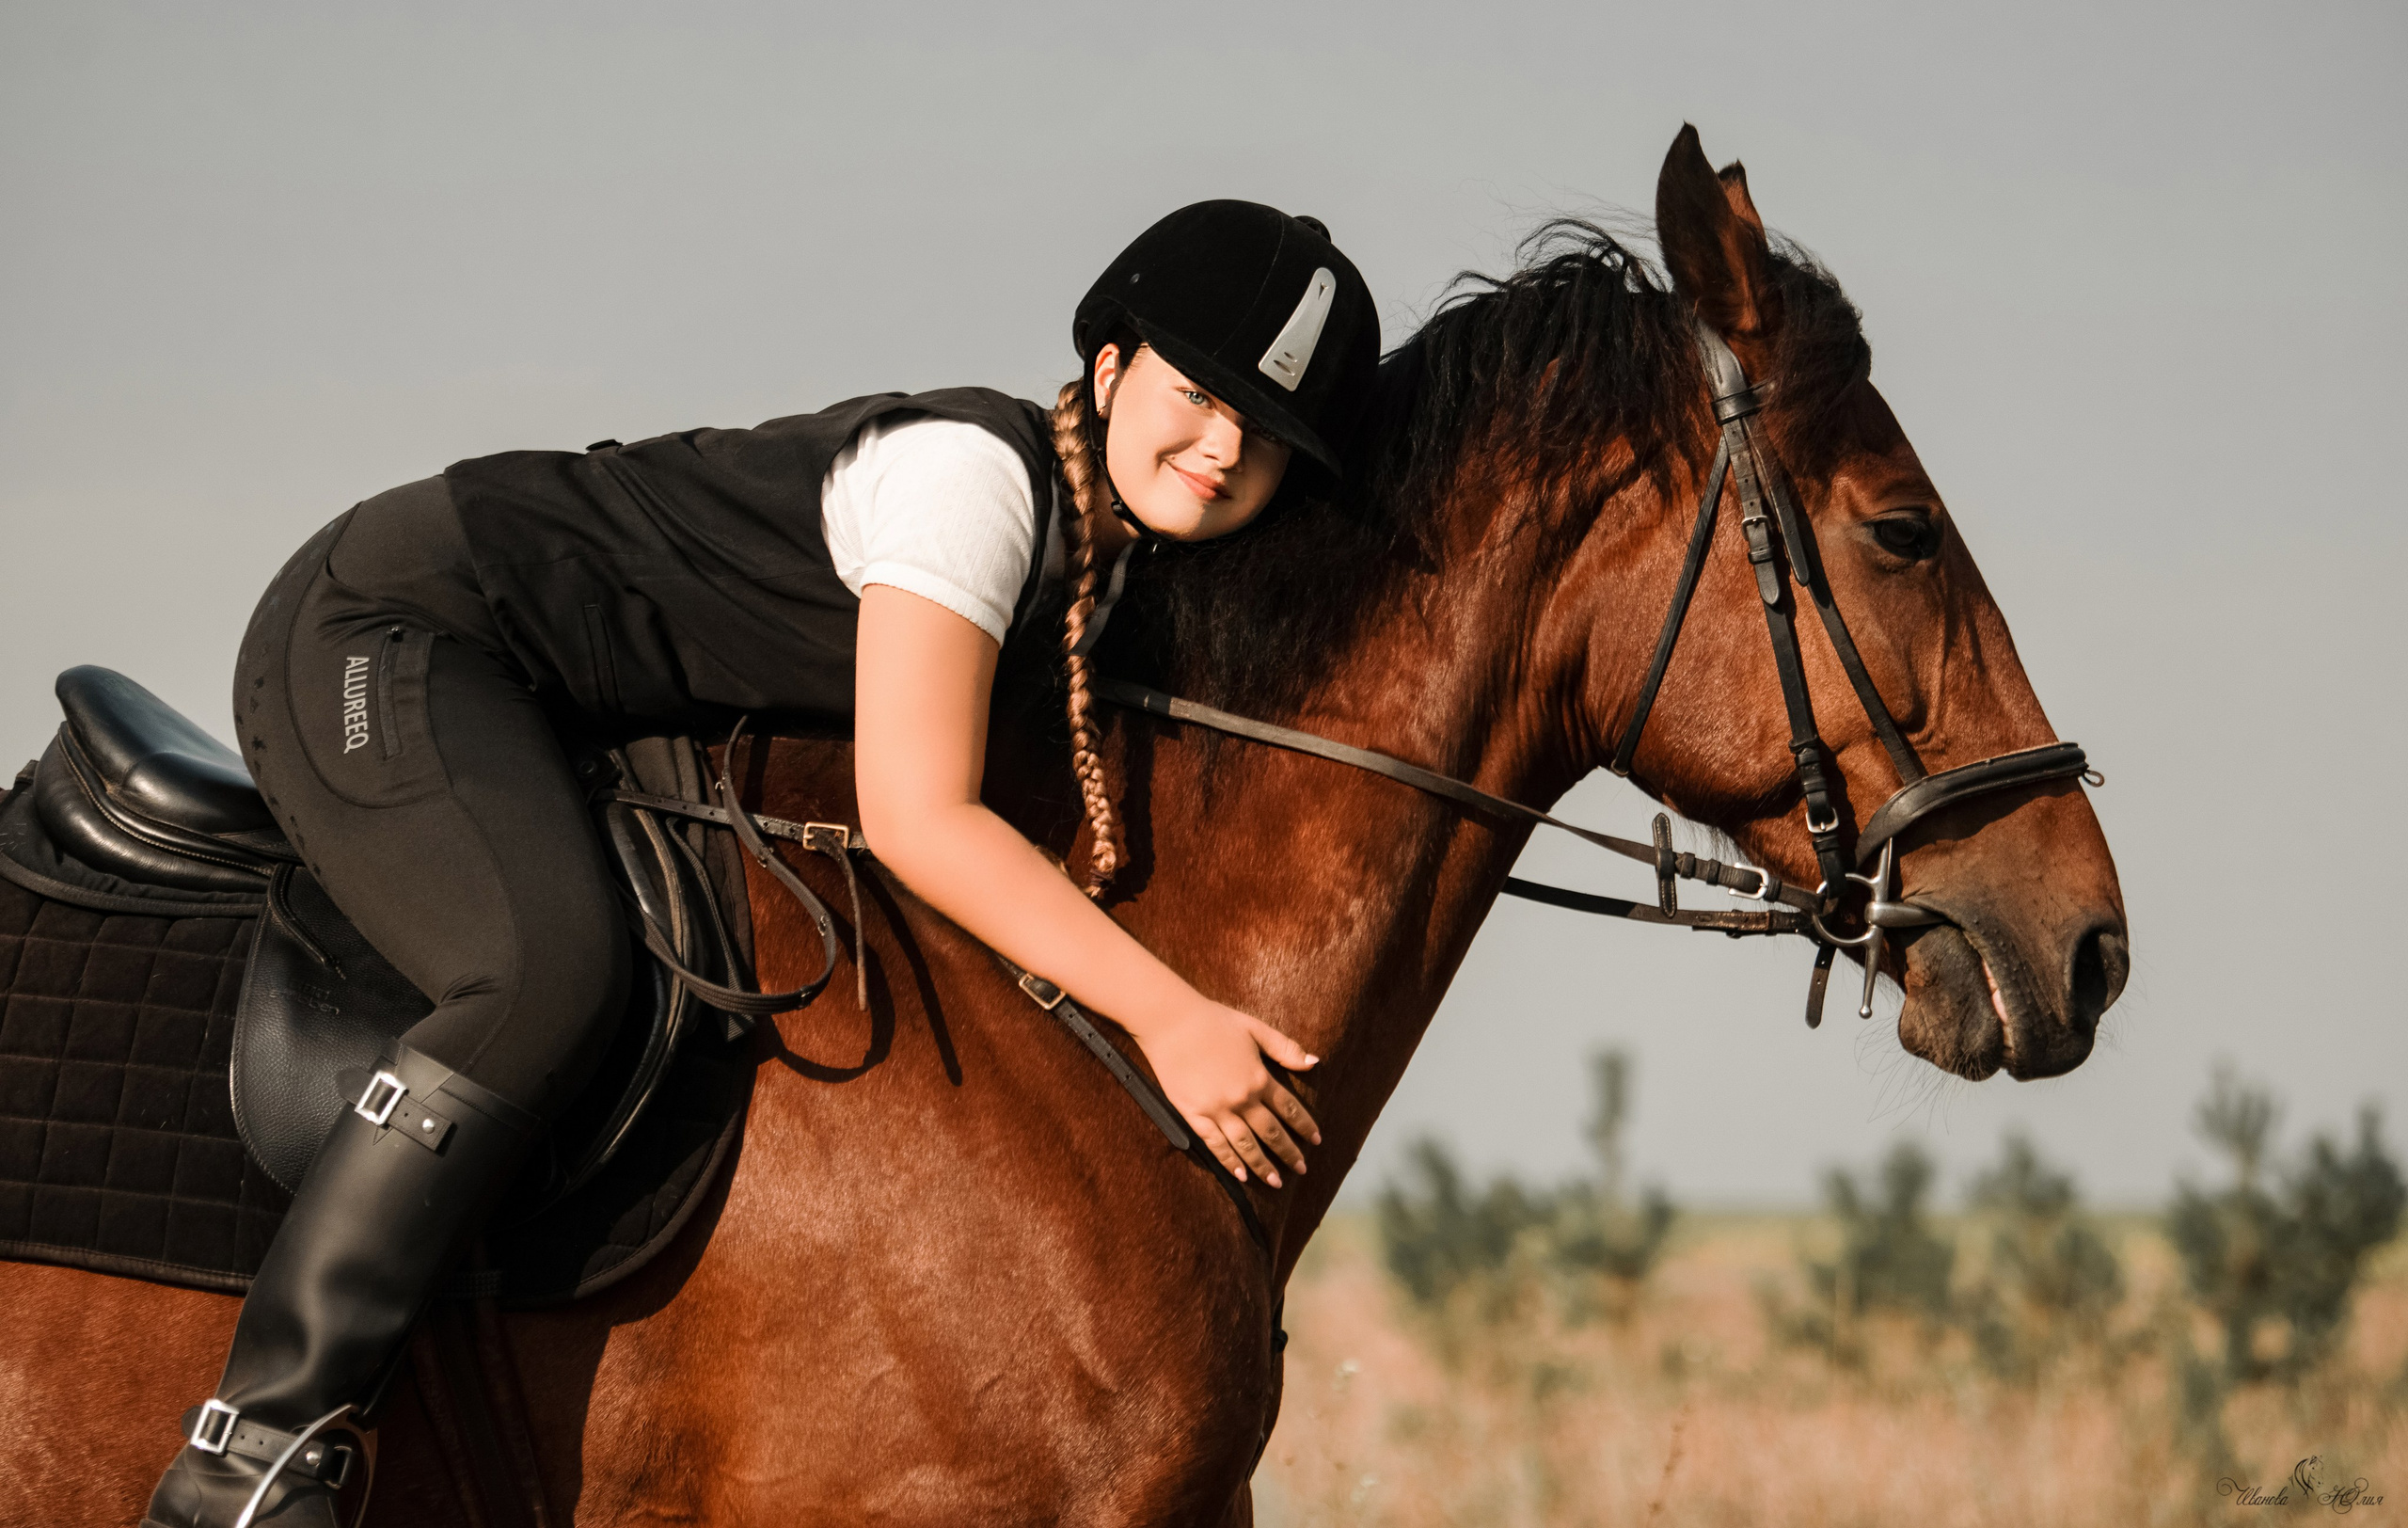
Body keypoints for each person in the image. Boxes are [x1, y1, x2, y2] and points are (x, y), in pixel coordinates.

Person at [142, 201, 1381, 1527]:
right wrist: (1170, 1016)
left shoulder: (1107, 572)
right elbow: (918, 819)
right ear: (1113, 366)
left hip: (546, 695)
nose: (1222, 450)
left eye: (1266, 437)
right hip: (394, 635)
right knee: (547, 975)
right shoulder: (974, 483)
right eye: (1197, 394)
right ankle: (256, 1455)